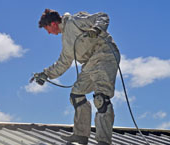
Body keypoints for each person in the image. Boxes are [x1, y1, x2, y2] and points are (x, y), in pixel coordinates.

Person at [34, 9, 120, 145]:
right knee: (76, 95)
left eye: (48, 29)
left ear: (53, 23)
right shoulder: (66, 41)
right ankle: (81, 135)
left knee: (101, 99)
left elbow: (102, 16)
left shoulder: (75, 21)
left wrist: (97, 28)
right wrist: (46, 74)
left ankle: (103, 141)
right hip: (90, 63)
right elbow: (63, 62)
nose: (49, 33)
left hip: (105, 55)